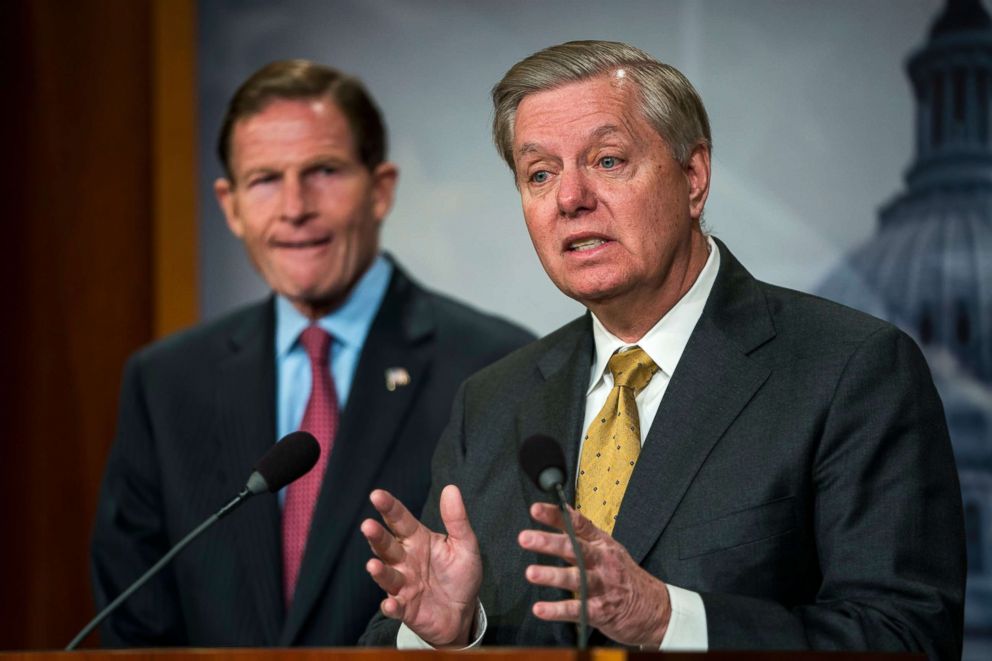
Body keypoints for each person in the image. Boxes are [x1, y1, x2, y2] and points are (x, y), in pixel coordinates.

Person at [359, 41, 966, 658]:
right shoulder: (489, 402)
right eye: (539, 174)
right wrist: (452, 634)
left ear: (694, 176)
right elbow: (396, 635)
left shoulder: (849, 369)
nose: (570, 198)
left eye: (608, 160)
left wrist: (666, 621)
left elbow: (907, 637)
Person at [90, 60, 534, 646]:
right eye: (265, 179)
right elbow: (135, 622)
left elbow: (514, 607)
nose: (295, 207)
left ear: (380, 189)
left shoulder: (494, 367)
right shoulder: (166, 382)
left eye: (323, 171)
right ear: (231, 205)